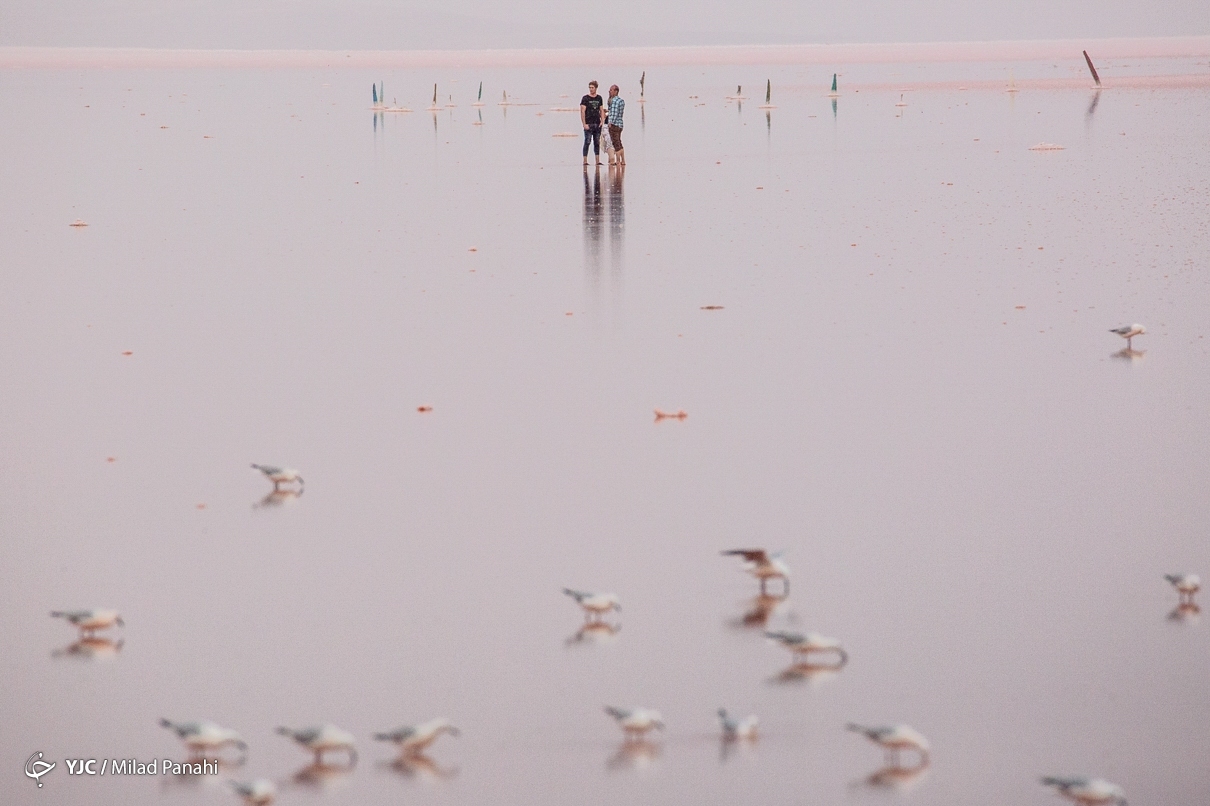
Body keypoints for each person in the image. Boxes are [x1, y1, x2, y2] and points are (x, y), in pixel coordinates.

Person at [580, 81, 607, 166]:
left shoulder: (599, 98)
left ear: (596, 88)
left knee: (597, 142)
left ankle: (597, 160)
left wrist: (602, 121)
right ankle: (585, 160)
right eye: (590, 88)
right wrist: (584, 124)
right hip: (588, 123)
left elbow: (601, 110)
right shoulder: (585, 98)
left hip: (597, 123)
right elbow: (582, 111)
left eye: (592, 88)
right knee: (587, 141)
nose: (591, 89)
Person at [606, 84, 625, 166]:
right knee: (619, 142)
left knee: (616, 143)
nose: (609, 91)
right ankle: (623, 160)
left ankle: (618, 161)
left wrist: (610, 122)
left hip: (614, 124)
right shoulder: (621, 101)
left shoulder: (614, 101)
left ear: (615, 91)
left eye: (611, 90)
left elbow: (614, 113)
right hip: (620, 124)